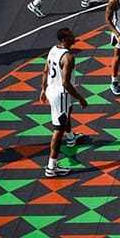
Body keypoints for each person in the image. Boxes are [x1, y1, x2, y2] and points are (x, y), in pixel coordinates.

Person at [39, 28, 88, 177]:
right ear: (64, 39)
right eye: (71, 35)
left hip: (52, 91)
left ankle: (72, 138)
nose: (74, 36)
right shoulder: (68, 58)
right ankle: (51, 167)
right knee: (58, 131)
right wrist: (80, 98)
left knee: (68, 112)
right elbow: (66, 83)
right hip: (61, 94)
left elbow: (46, 69)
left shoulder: (53, 50)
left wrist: (43, 88)